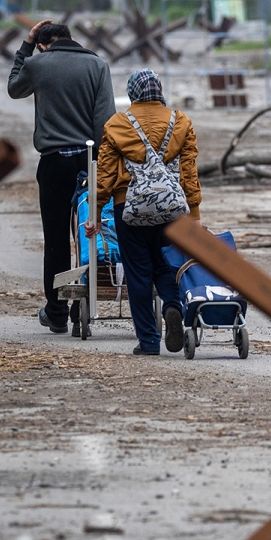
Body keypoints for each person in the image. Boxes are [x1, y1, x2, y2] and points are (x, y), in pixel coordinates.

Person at [8, 19, 115, 337]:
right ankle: (80, 303)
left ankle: (57, 312)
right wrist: (102, 167)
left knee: (56, 242)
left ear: (43, 44)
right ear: (70, 38)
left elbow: (15, 88)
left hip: (53, 163)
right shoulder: (98, 65)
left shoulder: (38, 63)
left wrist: (26, 45)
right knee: (86, 235)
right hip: (88, 163)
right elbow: (104, 120)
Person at [87, 69, 201, 355]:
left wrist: (96, 212)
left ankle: (149, 341)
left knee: (138, 272)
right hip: (171, 209)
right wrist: (195, 215)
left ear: (132, 94)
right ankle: (173, 307)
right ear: (160, 91)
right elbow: (188, 173)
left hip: (130, 207)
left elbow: (105, 177)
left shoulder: (117, 125)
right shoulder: (181, 122)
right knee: (165, 265)